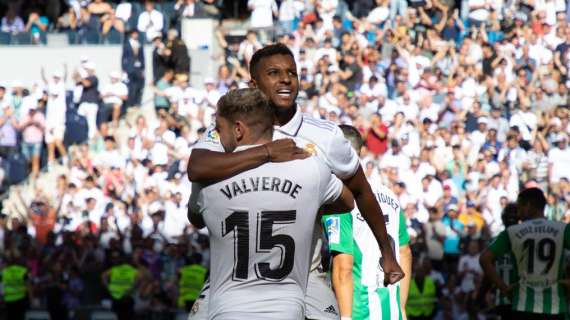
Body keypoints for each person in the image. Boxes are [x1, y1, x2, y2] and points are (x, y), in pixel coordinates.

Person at [187, 44, 403, 319]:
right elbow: (197, 167)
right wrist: (267, 153)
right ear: (254, 84)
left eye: (292, 72)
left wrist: (387, 252)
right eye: (274, 73)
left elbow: (361, 192)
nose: (286, 79)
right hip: (234, 271)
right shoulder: (232, 129)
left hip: (303, 272)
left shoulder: (325, 136)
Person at [188, 88, 354, 318]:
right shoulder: (309, 169)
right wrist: (309, 205)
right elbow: (347, 202)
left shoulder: (208, 180)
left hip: (228, 309)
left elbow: (195, 218)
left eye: (219, 128)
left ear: (238, 130)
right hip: (288, 309)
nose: (216, 135)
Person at [322, 124, 413, 320]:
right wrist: (402, 308)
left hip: (359, 310)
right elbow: (404, 252)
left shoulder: (340, 201)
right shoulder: (389, 195)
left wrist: (345, 318)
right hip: (392, 310)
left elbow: (343, 268)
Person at [480, 188, 570, 320]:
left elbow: (484, 259)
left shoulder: (512, 232)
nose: (518, 212)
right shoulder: (563, 229)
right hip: (555, 305)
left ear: (528, 205)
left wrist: (503, 288)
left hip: (523, 305)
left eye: (520, 206)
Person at [491, 203, 518, 319]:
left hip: (505, 299)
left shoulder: (495, 241)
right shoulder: (528, 239)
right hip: (522, 300)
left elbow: (487, 269)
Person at [102, 254, 140, 320]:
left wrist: (108, 287)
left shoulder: (115, 269)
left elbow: (103, 276)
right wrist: (132, 288)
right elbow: (138, 280)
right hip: (125, 298)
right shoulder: (133, 270)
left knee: (121, 315)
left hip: (120, 298)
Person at [1, 254, 32, 320]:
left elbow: (1, 286)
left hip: (8, 299)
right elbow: (28, 286)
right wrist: (31, 298)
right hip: (21, 299)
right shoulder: (23, 271)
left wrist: (2, 297)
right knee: (20, 317)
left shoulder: (4, 272)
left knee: (10, 317)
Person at [122, 30, 145, 108]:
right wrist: (124, 69)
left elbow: (142, 57)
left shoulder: (139, 44)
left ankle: (137, 102)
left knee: (139, 86)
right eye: (134, 34)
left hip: (138, 67)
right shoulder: (127, 44)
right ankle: (130, 103)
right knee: (130, 86)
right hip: (130, 68)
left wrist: (143, 68)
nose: (136, 35)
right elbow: (123, 57)